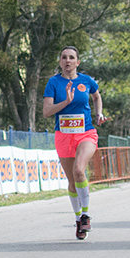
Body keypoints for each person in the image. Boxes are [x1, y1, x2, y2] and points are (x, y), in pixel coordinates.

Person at [43, 46, 108, 240]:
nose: (68, 60)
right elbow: (46, 112)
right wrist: (66, 102)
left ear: (77, 62)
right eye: (64, 57)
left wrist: (99, 114)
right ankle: (78, 218)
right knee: (72, 180)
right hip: (63, 135)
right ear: (60, 61)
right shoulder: (53, 83)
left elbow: (96, 96)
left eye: (72, 58)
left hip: (86, 133)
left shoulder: (86, 81)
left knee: (79, 170)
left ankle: (86, 213)